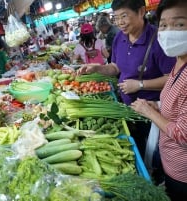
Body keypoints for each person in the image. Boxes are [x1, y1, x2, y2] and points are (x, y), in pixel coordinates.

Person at [77, 0, 176, 160]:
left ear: (141, 12)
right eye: (116, 18)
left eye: (124, 16)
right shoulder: (119, 38)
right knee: (137, 146)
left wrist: (140, 85)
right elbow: (115, 67)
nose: (120, 23)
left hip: (152, 112)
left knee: (154, 153)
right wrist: (98, 68)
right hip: (127, 107)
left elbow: (172, 79)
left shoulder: (158, 40)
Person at [131, 0, 187, 200]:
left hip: (183, 173)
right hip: (170, 164)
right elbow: (179, 104)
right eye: (163, 25)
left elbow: (183, 135)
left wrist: (150, 112)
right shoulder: (179, 63)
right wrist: (159, 105)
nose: (169, 31)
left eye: (179, 24)